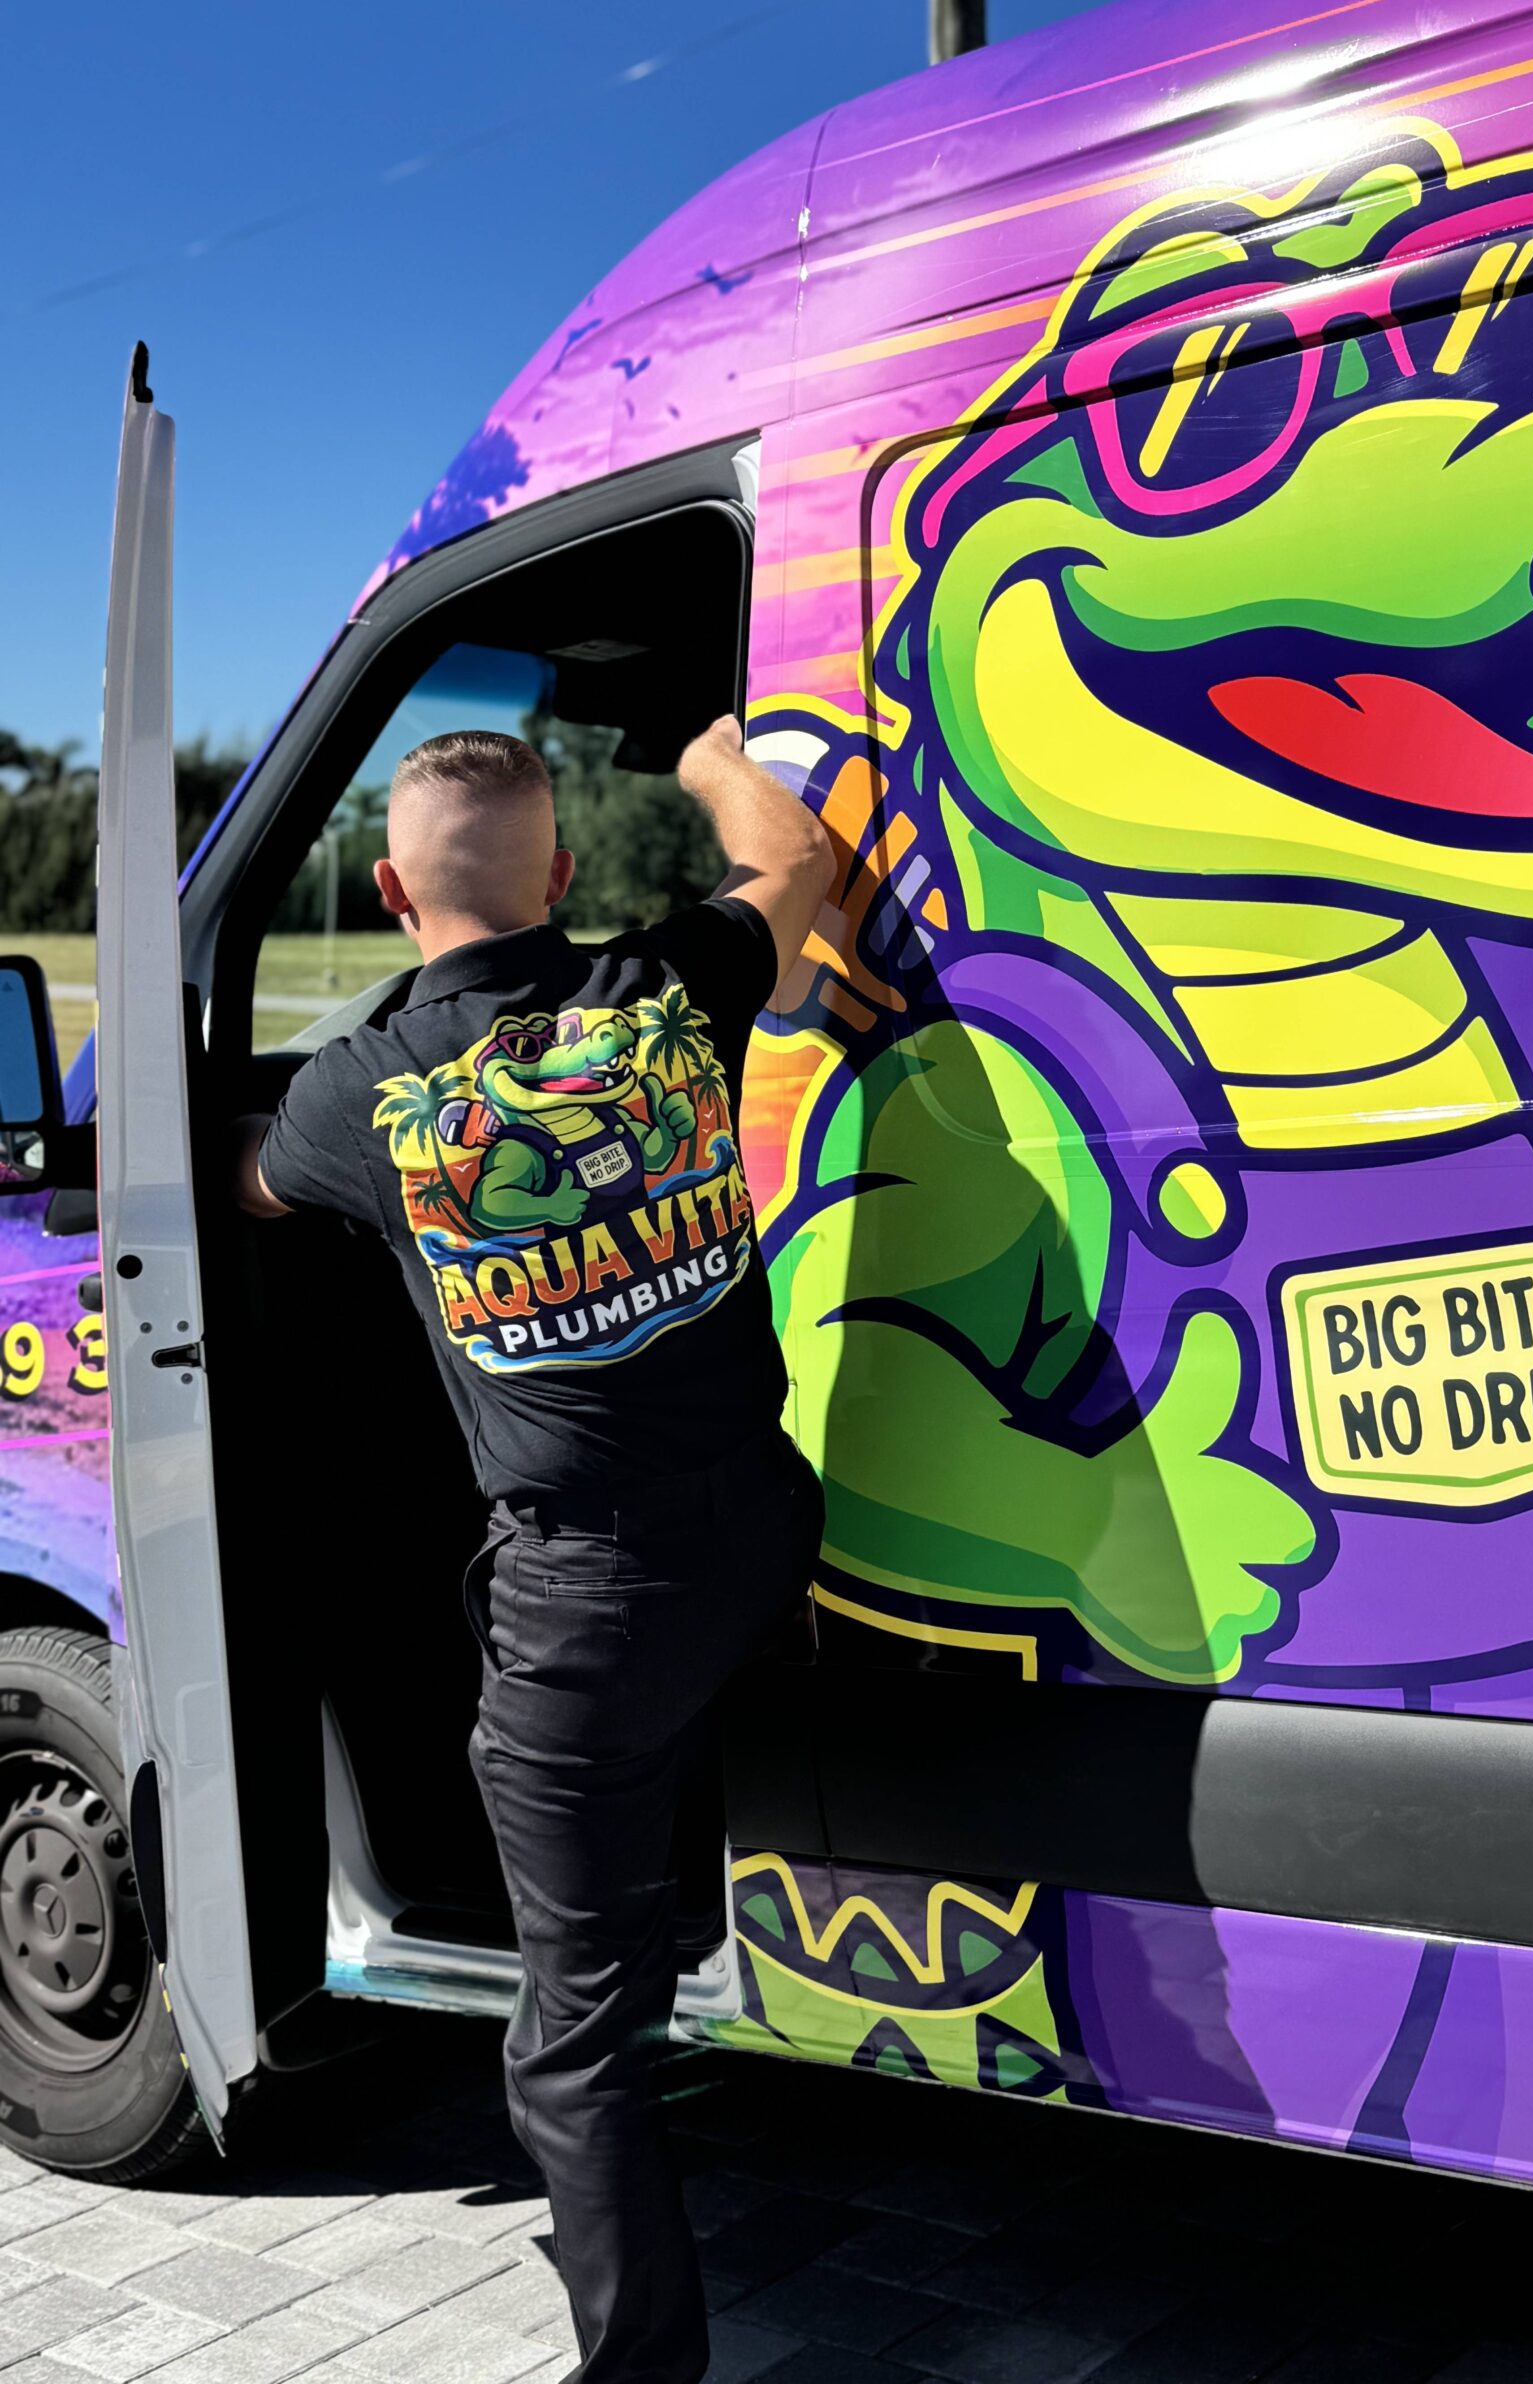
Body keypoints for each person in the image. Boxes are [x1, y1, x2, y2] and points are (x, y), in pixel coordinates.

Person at [233, 715, 834, 2384]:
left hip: (592, 1606)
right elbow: (794, 862)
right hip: (765, 1527)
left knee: (572, 2045)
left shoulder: (360, 1095)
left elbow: (252, 1188)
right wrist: (709, 755)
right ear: (563, 875)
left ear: (387, 892)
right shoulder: (667, 990)